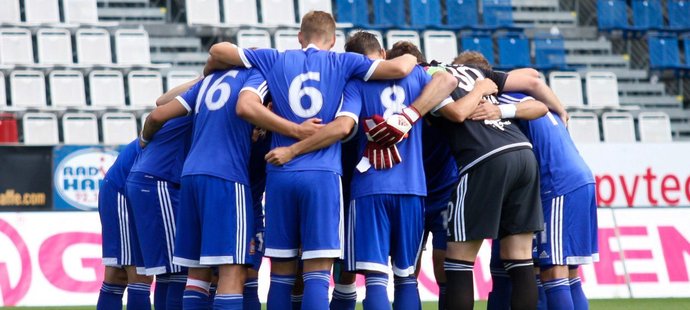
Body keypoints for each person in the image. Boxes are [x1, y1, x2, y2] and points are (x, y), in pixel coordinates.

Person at [203, 10, 419, 309]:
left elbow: (218, 52)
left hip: (280, 172)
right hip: (322, 175)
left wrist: (290, 131)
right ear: (332, 41)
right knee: (317, 273)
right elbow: (398, 69)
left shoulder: (274, 58)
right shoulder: (344, 62)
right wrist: (410, 58)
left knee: (281, 273)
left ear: (300, 37)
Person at [140, 66, 322, 308]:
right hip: (232, 188)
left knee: (198, 275)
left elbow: (161, 105)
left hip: (195, 181)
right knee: (233, 273)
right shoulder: (259, 85)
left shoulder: (216, 84)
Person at [487, 92, 598, 310]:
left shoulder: (502, 102)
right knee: (565, 270)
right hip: (578, 180)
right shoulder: (525, 95)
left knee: (552, 270)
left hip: (556, 185)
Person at [97, 139, 151, 310]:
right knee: (139, 273)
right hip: (124, 190)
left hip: (128, 188)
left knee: (117, 275)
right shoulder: (180, 121)